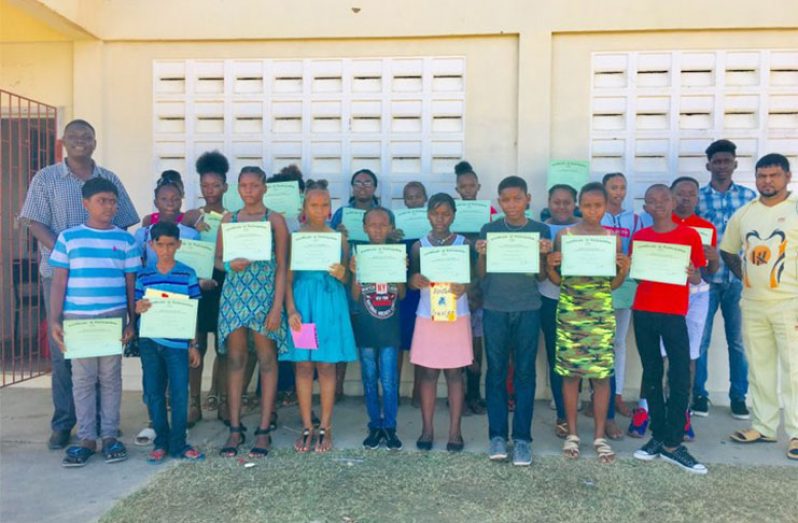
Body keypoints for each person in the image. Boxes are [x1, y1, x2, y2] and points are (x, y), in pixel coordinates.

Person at [19, 119, 139, 451]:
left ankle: (103, 426)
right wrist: (66, 253)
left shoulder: (108, 179)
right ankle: (64, 424)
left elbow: (126, 220)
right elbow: (33, 222)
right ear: (63, 142)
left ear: (95, 142)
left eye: (86, 136)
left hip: (102, 283)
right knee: (64, 353)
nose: (80, 141)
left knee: (103, 353)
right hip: (57, 276)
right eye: (74, 137)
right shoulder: (46, 178)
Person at [48, 178, 140, 467]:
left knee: (111, 378)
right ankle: (86, 438)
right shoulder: (68, 238)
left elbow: (130, 284)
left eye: (113, 201)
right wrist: (54, 319)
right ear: (85, 203)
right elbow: (59, 282)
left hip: (112, 318)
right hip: (78, 319)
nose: (109, 206)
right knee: (83, 380)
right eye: (102, 201)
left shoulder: (126, 240)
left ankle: (110, 436)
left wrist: (131, 321)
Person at [628, 177, 720, 440]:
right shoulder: (641, 237)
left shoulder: (690, 235)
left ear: (672, 202)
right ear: (645, 207)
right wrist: (634, 267)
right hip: (644, 310)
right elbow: (638, 278)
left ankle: (678, 423)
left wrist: (692, 275)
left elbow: (698, 276)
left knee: (680, 369)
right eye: (652, 202)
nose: (658, 205)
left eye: (664, 200)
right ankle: (655, 423)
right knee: (652, 368)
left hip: (674, 311)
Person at [546, 182, 630, 463]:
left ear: (605, 207)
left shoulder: (612, 239)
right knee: (570, 375)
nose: (592, 210)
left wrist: (624, 270)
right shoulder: (565, 236)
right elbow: (558, 281)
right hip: (571, 311)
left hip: (600, 313)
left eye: (598, 205)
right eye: (588, 205)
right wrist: (549, 266)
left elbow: (613, 285)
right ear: (579, 205)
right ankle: (572, 434)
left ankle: (598, 436)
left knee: (602, 375)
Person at [723, 154, 797, 461]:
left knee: (794, 370)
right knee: (760, 366)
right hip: (752, 304)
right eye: (762, 176)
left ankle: (795, 432)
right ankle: (764, 426)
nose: (767, 181)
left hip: (789, 303)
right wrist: (747, 278)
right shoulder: (745, 213)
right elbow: (728, 251)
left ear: (788, 177)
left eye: (774, 175)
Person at [215, 166, 293, 458]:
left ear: (264, 188)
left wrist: (277, 307)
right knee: (235, 360)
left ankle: (263, 428)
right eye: (243, 186)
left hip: (264, 296)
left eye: (254, 185)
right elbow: (219, 260)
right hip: (235, 296)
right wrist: (228, 264)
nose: (249, 191)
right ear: (237, 189)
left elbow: (283, 265)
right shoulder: (229, 219)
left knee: (267, 359)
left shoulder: (275, 220)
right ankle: (235, 428)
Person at [474, 176, 551, 466]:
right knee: (495, 373)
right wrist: (482, 254)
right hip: (495, 308)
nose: (512, 205)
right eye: (505, 199)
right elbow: (481, 274)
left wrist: (543, 255)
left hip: (528, 307)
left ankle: (522, 439)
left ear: (528, 199)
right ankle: (497, 436)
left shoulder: (539, 230)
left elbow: (542, 277)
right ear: (499, 202)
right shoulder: (490, 229)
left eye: (517, 198)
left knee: (524, 374)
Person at [284, 180, 358, 453]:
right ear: (304, 207)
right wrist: (291, 309)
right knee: (303, 365)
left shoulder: (339, 239)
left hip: (329, 303)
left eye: (325, 204)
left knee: (327, 366)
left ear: (330, 207)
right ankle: (307, 426)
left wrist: (344, 274)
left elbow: (348, 279)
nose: (320, 209)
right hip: (303, 304)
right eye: (314, 204)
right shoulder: (295, 237)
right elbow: (288, 278)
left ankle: (326, 427)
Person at [694, 139, 755, 419]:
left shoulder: (749, 197)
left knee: (738, 341)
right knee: (701, 340)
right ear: (708, 165)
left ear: (735, 164)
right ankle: (699, 396)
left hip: (739, 280)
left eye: (726, 161)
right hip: (706, 279)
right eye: (716, 161)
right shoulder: (698, 198)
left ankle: (739, 397)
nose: (721, 166)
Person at [134, 221, 205, 462]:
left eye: (170, 245)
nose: (165, 250)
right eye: (160, 245)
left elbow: (193, 309)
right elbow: (135, 304)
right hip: (150, 342)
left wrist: (193, 345)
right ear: (151, 245)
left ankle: (179, 443)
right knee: (154, 392)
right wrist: (139, 306)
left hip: (177, 344)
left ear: (179, 245)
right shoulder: (144, 275)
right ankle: (161, 442)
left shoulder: (187, 274)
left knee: (179, 393)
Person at [409, 193, 473, 452]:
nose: (440, 218)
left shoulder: (464, 243)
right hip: (428, 314)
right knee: (428, 373)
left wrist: (465, 286)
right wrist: (414, 280)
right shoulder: (419, 246)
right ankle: (427, 429)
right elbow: (411, 279)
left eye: (446, 213)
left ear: (454, 215)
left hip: (457, 314)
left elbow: (475, 281)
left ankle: (455, 432)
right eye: (436, 213)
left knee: (455, 374)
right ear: (428, 215)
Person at [351, 207, 406, 451]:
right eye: (372, 225)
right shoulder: (358, 254)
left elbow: (402, 295)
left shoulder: (397, 253)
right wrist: (355, 274)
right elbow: (354, 296)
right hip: (366, 324)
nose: (377, 229)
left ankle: (390, 426)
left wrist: (400, 272)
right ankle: (374, 424)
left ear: (391, 228)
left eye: (383, 225)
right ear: (364, 227)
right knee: (370, 379)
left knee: (390, 380)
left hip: (390, 326)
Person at [182, 151, 230, 426]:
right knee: (196, 344)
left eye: (215, 185)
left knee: (223, 346)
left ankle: (223, 401)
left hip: (223, 281)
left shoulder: (232, 218)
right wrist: (190, 227)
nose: (209, 191)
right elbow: (177, 248)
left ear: (225, 186)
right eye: (204, 185)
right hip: (195, 284)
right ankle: (194, 404)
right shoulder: (190, 216)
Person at [330, 169, 381, 402]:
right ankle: (337, 385)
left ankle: (373, 389)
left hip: (375, 279)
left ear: (374, 187)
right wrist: (337, 234)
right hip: (346, 279)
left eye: (367, 182)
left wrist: (393, 237)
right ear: (352, 187)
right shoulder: (342, 213)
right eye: (358, 182)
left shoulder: (382, 213)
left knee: (372, 333)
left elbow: (389, 244)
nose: (362, 186)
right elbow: (327, 243)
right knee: (343, 330)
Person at [600, 172, 642, 438]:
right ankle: (594, 398)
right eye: (613, 187)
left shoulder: (635, 219)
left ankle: (616, 395)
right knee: (597, 343)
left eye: (622, 187)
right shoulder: (595, 215)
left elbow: (639, 249)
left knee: (618, 342)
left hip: (625, 286)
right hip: (598, 286)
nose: (618, 192)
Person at [540, 184, 579, 438]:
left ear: (575, 203)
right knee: (557, 359)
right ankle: (563, 414)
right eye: (557, 202)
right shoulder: (540, 228)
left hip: (582, 300)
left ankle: (578, 404)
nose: (562, 206)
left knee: (582, 357)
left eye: (567, 202)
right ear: (549, 202)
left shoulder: (587, 228)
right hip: (549, 298)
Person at [455, 160, 493, 416]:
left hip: (481, 286)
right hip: (457, 286)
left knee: (477, 346)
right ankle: (457, 396)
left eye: (472, 186)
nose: (468, 190)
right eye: (463, 187)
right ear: (457, 189)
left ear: (478, 187)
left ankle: (474, 394)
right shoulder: (452, 211)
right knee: (457, 341)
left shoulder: (488, 211)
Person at [398, 181, 427, 407]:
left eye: (418, 197)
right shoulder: (398, 225)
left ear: (425, 199)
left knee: (421, 340)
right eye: (409, 197)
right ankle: (394, 389)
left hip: (424, 290)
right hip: (402, 290)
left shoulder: (432, 228)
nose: (414, 201)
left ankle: (419, 391)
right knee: (398, 340)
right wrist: (393, 237)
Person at [134, 171, 200, 267]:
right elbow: (136, 267)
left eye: (175, 199)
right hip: (151, 282)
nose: (170, 203)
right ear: (156, 203)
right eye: (164, 199)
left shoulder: (191, 235)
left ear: (181, 202)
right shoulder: (142, 234)